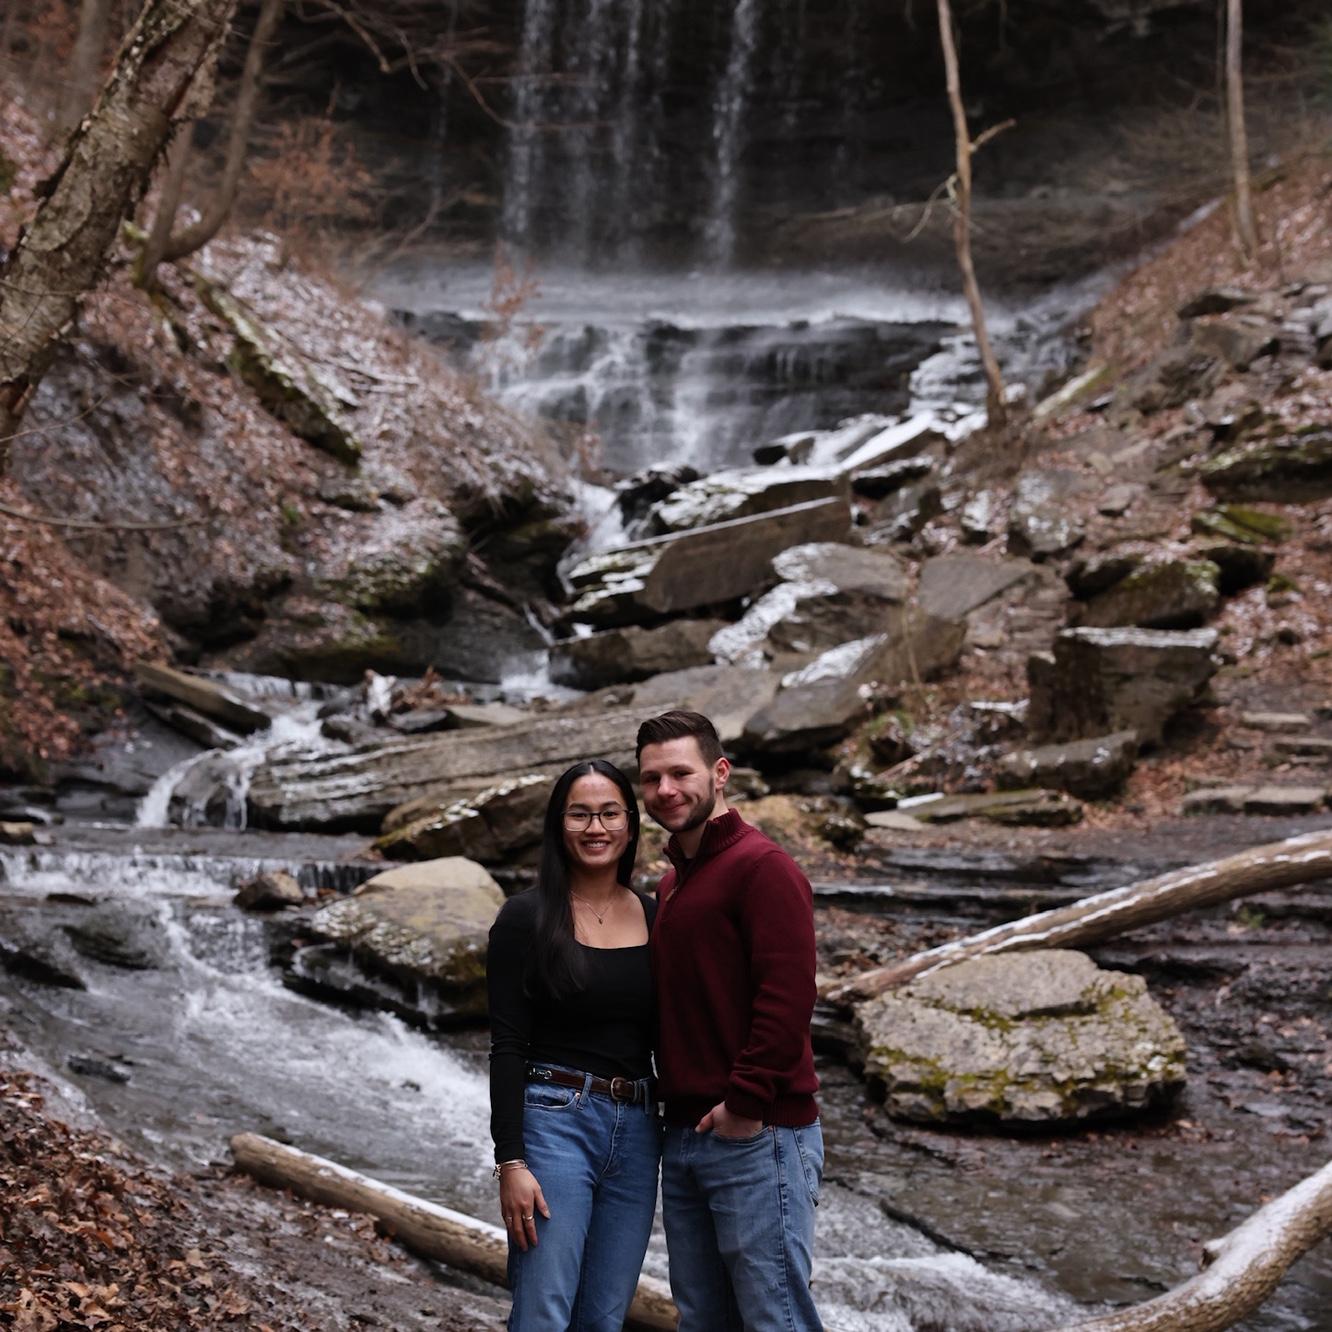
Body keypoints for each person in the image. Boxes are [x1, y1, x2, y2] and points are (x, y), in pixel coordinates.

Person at [636, 709, 824, 1332]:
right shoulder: (672, 885)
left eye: (680, 772)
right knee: (705, 1320)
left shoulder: (762, 867)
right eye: (651, 778)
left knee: (775, 1318)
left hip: (758, 1132)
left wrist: (745, 1102)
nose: (666, 790)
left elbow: (789, 995)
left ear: (720, 774)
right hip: (685, 1132)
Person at [486, 759, 660, 1331]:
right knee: (543, 1311)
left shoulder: (658, 918)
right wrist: (510, 1160)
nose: (596, 828)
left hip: (637, 1131)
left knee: (603, 1318)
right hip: (555, 1123)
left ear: (630, 825)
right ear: (559, 826)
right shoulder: (525, 918)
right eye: (580, 814)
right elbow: (508, 1044)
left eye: (610, 813)